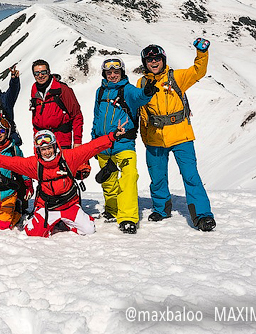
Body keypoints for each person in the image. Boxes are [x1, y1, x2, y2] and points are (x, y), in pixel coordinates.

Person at [0, 122, 126, 237]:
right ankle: (55, 222)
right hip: (47, 207)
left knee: (88, 230)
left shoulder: (69, 158)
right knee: (32, 233)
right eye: (43, 149)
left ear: (55, 146)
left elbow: (91, 147)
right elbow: (10, 162)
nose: (47, 152)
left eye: (49, 147)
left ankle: (69, 220)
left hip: (69, 205)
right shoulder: (34, 164)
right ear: (38, 150)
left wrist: (112, 136)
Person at [137, 39, 216, 232]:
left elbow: (198, 71)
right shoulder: (142, 82)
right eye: (149, 60)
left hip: (181, 135)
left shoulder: (176, 77)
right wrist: (144, 136)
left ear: (163, 60)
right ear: (144, 63)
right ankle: (161, 208)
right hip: (155, 136)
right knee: (157, 176)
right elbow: (142, 110)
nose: (154, 63)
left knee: (190, 176)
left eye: (157, 59)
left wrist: (202, 53)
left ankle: (203, 215)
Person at [91, 58, 157, 234]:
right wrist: (93, 143)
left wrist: (147, 92)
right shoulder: (100, 92)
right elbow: (96, 118)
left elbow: (139, 97)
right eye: (109, 72)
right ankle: (112, 210)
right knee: (108, 181)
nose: (113, 75)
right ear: (105, 73)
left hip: (124, 144)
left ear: (122, 73)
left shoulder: (127, 90)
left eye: (116, 72)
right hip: (103, 143)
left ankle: (128, 217)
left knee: (128, 177)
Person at [29, 59, 87, 177]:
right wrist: (36, 142)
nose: (40, 76)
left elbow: (77, 116)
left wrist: (77, 142)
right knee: (46, 175)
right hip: (43, 142)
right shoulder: (34, 90)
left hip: (62, 140)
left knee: (64, 174)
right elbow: (35, 119)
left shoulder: (62, 90)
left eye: (43, 72)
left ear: (49, 72)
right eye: (37, 73)